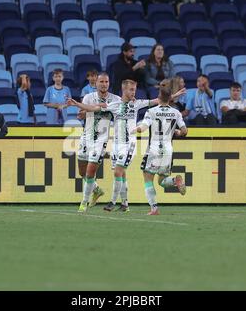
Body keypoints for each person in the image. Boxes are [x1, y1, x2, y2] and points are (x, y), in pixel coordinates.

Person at [69, 79, 159, 212]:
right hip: (116, 143)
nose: (133, 92)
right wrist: (78, 105)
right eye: (131, 90)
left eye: (134, 90)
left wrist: (171, 96)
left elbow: (156, 101)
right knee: (121, 174)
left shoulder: (137, 103)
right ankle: (125, 204)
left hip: (129, 143)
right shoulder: (115, 104)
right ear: (124, 90)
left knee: (117, 172)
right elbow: (94, 108)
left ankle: (111, 202)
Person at [132, 79, 188, 216]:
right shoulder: (176, 112)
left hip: (154, 148)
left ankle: (154, 208)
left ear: (158, 97)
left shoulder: (151, 112)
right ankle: (175, 181)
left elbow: (143, 127)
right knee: (162, 181)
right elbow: (185, 131)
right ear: (170, 98)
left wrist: (135, 129)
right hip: (168, 149)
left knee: (147, 177)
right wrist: (178, 132)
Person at [72, 72, 121, 213]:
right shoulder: (88, 97)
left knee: (90, 172)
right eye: (101, 82)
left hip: (101, 140)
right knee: (82, 172)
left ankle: (84, 203)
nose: (104, 84)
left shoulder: (115, 99)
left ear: (109, 83)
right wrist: (81, 114)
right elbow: (81, 113)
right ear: (96, 83)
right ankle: (96, 190)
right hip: (86, 137)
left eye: (106, 82)